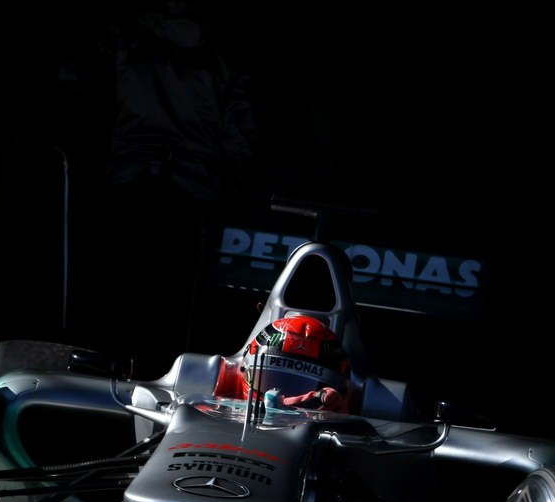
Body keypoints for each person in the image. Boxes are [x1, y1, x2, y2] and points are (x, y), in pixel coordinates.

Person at [68, 0, 258, 378]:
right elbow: (240, 138)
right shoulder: (224, 56)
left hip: (129, 176)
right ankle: (158, 385)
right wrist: (234, 189)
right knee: (170, 303)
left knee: (116, 290)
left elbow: (73, 84)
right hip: (190, 189)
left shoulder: (125, 38)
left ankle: (100, 380)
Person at [213, 314, 353, 414]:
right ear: (244, 368)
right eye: (273, 380)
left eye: (299, 385)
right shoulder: (215, 383)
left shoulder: (334, 402)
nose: (274, 398)